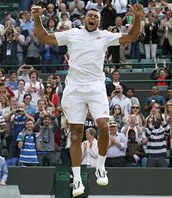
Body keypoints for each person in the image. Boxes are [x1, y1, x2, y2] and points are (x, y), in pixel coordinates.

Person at [31, 4, 143, 197]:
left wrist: (139, 17)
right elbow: (44, 37)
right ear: (84, 19)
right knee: (76, 133)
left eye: (96, 16)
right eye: (90, 15)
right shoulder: (72, 33)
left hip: (96, 87)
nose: (93, 18)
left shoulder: (105, 36)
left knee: (103, 125)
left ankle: (100, 166)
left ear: (99, 21)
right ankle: (77, 179)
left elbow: (132, 37)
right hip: (74, 88)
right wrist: (36, 17)